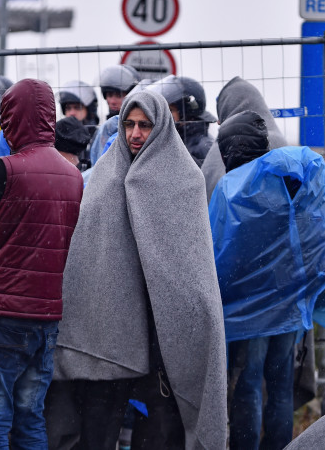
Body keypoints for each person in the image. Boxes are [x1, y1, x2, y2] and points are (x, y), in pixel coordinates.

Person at [51, 89, 227, 449]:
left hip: (162, 337)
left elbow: (191, 267)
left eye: (144, 126)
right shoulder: (103, 177)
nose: (134, 134)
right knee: (97, 431)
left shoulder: (185, 181)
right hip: (108, 332)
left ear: (161, 126)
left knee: (161, 434)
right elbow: (87, 254)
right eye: (129, 124)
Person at [0, 78, 84, 449]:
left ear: (12, 117)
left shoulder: (6, 169)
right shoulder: (74, 177)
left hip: (1, 312)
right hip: (46, 316)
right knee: (30, 414)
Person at [209, 110, 325, 449]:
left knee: (248, 385)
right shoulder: (291, 176)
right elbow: (316, 236)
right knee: (281, 384)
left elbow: (219, 252)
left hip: (247, 309)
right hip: (290, 302)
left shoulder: (230, 189)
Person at [201, 76, 288, 201]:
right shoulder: (280, 142)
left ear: (226, 109)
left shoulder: (223, 145)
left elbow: (208, 195)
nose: (219, 122)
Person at [146, 75, 216, 166]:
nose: (163, 115)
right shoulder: (177, 139)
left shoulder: (203, 147)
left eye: (170, 110)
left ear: (186, 112)